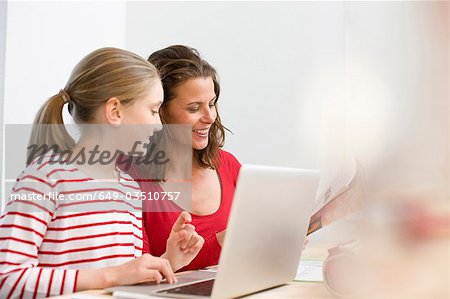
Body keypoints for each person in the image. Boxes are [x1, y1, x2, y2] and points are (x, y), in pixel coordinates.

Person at [0, 47, 203, 298]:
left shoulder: (128, 187)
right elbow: (7, 279)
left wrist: (168, 262)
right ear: (115, 111)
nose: (158, 124)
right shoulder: (45, 179)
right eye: (152, 110)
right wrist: (113, 275)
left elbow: (122, 283)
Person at [126, 45, 241, 271]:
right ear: (161, 111)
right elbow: (138, 274)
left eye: (211, 104)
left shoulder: (228, 165)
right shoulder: (130, 177)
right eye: (194, 108)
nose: (209, 117)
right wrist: (221, 243)